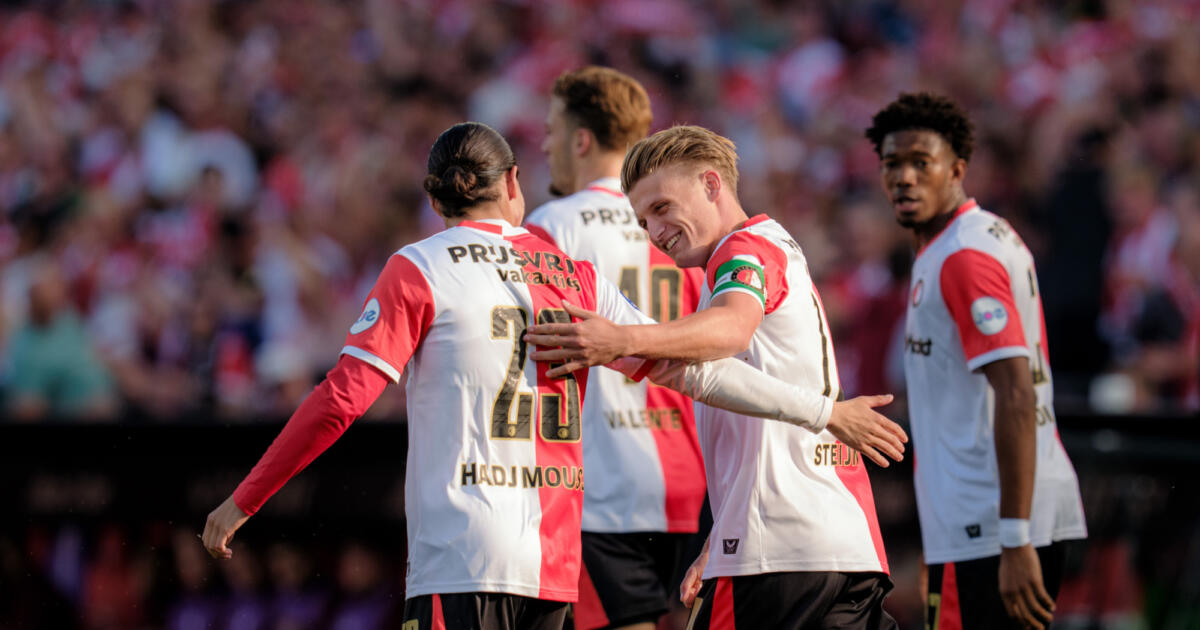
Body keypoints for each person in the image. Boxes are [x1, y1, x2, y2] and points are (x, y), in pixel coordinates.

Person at [202, 122, 898, 630]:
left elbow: (343, 398)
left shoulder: (420, 266)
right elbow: (700, 377)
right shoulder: (573, 276)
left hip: (463, 555)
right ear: (512, 187)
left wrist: (246, 499)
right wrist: (823, 410)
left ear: (437, 200)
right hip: (552, 566)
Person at [525, 125, 906, 629]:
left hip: (778, 554)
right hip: (842, 546)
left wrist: (622, 340)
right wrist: (721, 535)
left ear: (711, 184)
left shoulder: (742, 249)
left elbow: (730, 329)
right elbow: (739, 392)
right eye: (643, 221)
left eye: (661, 208)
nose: (655, 232)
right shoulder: (767, 250)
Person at [864, 92, 1087, 630]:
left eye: (922, 163)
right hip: (981, 524)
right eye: (893, 164)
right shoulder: (956, 242)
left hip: (994, 524)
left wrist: (1012, 540)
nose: (905, 178)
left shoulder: (962, 257)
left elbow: (1015, 391)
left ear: (957, 169)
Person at [524, 66, 706, 630]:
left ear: (581, 139)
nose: (548, 144)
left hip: (602, 484)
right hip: (692, 475)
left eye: (553, 129)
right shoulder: (683, 220)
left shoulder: (551, 226)